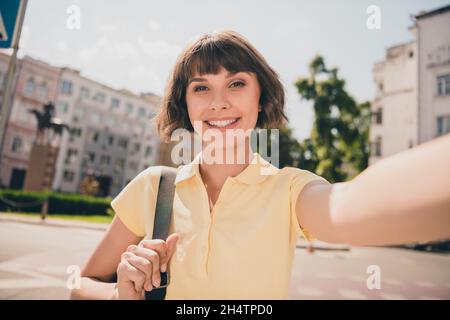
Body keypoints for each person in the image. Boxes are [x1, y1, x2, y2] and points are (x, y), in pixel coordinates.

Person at [70, 30, 450, 300]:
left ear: (260, 97)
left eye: (236, 84)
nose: (218, 102)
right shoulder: (154, 187)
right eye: (201, 87)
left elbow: (349, 206)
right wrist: (121, 293)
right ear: (184, 103)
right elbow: (80, 284)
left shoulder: (289, 189)